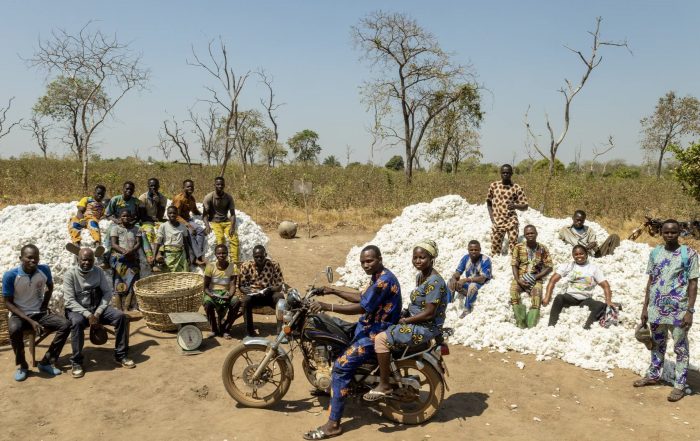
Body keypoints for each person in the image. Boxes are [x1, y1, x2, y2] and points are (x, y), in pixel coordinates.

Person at [303, 245, 402, 440]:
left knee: (340, 368)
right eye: (363, 262)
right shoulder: (377, 276)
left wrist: (327, 305)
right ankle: (335, 388)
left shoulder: (384, 281)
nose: (366, 265)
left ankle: (333, 425)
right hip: (366, 327)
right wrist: (331, 290)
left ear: (379, 259)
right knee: (332, 328)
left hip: (375, 333)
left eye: (369, 261)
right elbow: (362, 297)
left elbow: (361, 307)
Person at [364, 239, 449, 402]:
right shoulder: (421, 276)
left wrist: (405, 320)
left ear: (431, 258)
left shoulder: (435, 282)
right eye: (415, 257)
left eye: (422, 257)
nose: (417, 261)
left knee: (381, 339)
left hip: (425, 326)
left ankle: (384, 384)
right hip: (417, 321)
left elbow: (429, 313)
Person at [633, 220, 698, 402]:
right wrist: (645, 308)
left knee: (680, 348)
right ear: (661, 232)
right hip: (656, 309)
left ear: (680, 233)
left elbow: (693, 283)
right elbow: (651, 281)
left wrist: (690, 311)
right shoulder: (655, 253)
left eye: (674, 232)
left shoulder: (689, 254)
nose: (670, 235)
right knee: (656, 344)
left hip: (678, 310)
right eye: (666, 232)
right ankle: (653, 375)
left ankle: (680, 385)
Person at [64, 248, 135, 378]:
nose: (86, 262)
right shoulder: (70, 274)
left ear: (94, 260)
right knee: (76, 322)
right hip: (78, 310)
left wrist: (97, 313)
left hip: (96, 309)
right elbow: (69, 301)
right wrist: (88, 314)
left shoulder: (98, 272)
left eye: (90, 260)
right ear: (78, 259)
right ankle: (76, 361)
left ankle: (120, 355)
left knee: (120, 317)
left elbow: (107, 293)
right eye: (83, 259)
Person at [3, 244, 71, 381]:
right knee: (14, 329)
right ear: (20, 258)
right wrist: (30, 321)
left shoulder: (44, 270)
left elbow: (50, 286)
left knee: (65, 324)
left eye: (36, 258)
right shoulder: (11, 275)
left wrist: (44, 304)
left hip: (38, 313)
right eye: (29, 258)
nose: (33, 261)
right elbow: (8, 303)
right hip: (19, 314)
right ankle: (22, 365)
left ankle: (46, 361)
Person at [542, 245, 614, 328]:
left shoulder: (593, 269)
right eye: (576, 254)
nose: (579, 256)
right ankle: (551, 325)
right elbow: (552, 280)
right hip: (570, 297)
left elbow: (605, 286)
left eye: (581, 254)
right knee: (559, 298)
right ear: (573, 256)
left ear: (586, 254)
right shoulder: (568, 266)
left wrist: (608, 301)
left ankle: (587, 327)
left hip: (585, 299)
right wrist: (547, 297)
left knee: (600, 305)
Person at [510, 225, 553, 328]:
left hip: (536, 279)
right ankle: (521, 321)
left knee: (537, 295)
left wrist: (535, 277)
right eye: (527, 234)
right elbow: (514, 264)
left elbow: (549, 266)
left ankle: (531, 324)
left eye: (532, 233)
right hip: (521, 277)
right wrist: (518, 280)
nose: (530, 235)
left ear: (536, 234)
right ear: (524, 235)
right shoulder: (518, 247)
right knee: (514, 291)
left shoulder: (542, 248)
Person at [237, 245, 285, 337]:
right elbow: (241, 286)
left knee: (280, 298)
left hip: (268, 295)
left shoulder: (274, 265)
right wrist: (246, 291)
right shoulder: (246, 265)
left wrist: (270, 289)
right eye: (256, 257)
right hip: (253, 296)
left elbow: (279, 285)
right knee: (245, 300)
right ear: (253, 256)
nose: (259, 259)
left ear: (265, 255)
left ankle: (280, 332)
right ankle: (249, 333)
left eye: (261, 256)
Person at [487, 164, 528, 256]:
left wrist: (515, 206)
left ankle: (513, 266)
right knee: (494, 250)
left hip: (511, 222)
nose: (506, 174)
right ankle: (496, 267)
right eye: (504, 172)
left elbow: (525, 206)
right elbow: (489, 202)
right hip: (497, 222)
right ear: (500, 173)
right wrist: (492, 218)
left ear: (511, 174)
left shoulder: (516, 188)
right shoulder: (494, 186)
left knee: (514, 248)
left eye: (508, 173)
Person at [203, 244, 241, 338]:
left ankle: (226, 329)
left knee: (236, 302)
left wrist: (230, 295)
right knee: (207, 303)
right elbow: (205, 288)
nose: (221, 255)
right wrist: (212, 295)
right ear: (215, 254)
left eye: (224, 253)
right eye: (219, 253)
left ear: (227, 254)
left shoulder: (233, 267)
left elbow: (232, 285)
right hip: (213, 293)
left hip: (226, 293)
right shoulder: (210, 267)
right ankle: (214, 329)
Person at [109, 210, 143, 311]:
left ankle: (127, 308)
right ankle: (119, 310)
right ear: (120, 218)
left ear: (131, 217)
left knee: (132, 284)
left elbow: (138, 243)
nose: (126, 218)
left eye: (128, 216)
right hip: (121, 260)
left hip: (132, 259)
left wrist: (131, 251)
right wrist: (125, 252)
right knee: (118, 283)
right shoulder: (115, 229)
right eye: (123, 216)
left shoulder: (137, 229)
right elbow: (114, 244)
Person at [448, 240, 492, 317]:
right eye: (471, 250)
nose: (473, 252)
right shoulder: (466, 258)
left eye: (476, 250)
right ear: (468, 250)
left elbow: (482, 278)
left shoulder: (485, 260)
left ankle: (467, 309)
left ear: (480, 250)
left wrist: (465, 279)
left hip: (481, 286)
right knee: (450, 281)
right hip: (468, 283)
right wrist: (455, 277)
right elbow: (458, 271)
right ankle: (448, 304)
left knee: (472, 286)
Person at [103, 181, 142, 265]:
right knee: (110, 231)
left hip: (132, 222)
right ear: (123, 189)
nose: (129, 191)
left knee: (143, 233)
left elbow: (139, 216)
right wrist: (116, 220)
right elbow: (107, 214)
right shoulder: (115, 199)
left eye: (131, 189)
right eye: (127, 189)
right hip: (118, 221)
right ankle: (106, 256)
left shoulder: (136, 201)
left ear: (133, 190)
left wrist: (133, 222)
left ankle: (150, 258)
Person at [202, 176, 239, 264]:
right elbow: (204, 215)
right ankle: (222, 262)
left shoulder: (228, 197)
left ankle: (234, 263)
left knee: (234, 239)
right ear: (214, 185)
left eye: (222, 184)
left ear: (224, 185)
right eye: (218, 184)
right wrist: (207, 225)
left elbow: (233, 214)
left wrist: (232, 227)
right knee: (220, 239)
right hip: (215, 222)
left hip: (226, 221)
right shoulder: (209, 197)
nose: (220, 186)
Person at [171, 179, 207, 265]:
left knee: (200, 230)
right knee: (190, 233)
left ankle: (196, 257)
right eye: (188, 187)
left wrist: (205, 217)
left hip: (188, 220)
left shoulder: (191, 198)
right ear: (183, 188)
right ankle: (199, 257)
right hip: (178, 221)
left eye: (192, 187)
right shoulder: (179, 199)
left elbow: (195, 211)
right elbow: (176, 216)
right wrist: (188, 225)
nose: (190, 188)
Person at [66, 184, 107, 257]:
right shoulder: (87, 199)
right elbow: (80, 211)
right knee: (73, 223)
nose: (100, 195)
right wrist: (82, 220)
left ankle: (98, 245)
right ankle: (76, 245)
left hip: (92, 218)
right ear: (94, 192)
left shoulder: (103, 205)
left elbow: (105, 215)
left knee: (93, 225)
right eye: (98, 193)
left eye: (102, 194)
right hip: (82, 216)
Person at [153, 206, 193, 272]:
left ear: (177, 214)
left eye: (174, 213)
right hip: (169, 255)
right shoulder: (163, 226)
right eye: (170, 213)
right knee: (169, 275)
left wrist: (188, 256)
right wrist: (154, 256)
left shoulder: (182, 226)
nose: (172, 215)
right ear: (167, 214)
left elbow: (185, 242)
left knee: (183, 274)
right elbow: (158, 242)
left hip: (180, 255)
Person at [139, 178, 167, 270]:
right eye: (151, 186)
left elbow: (160, 216)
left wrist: (158, 203)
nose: (153, 188)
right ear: (148, 186)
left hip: (157, 220)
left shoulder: (162, 198)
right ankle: (151, 258)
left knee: (161, 231)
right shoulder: (143, 198)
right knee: (149, 231)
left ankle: (160, 253)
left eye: (155, 186)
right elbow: (142, 215)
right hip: (146, 220)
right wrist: (152, 219)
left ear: (159, 186)